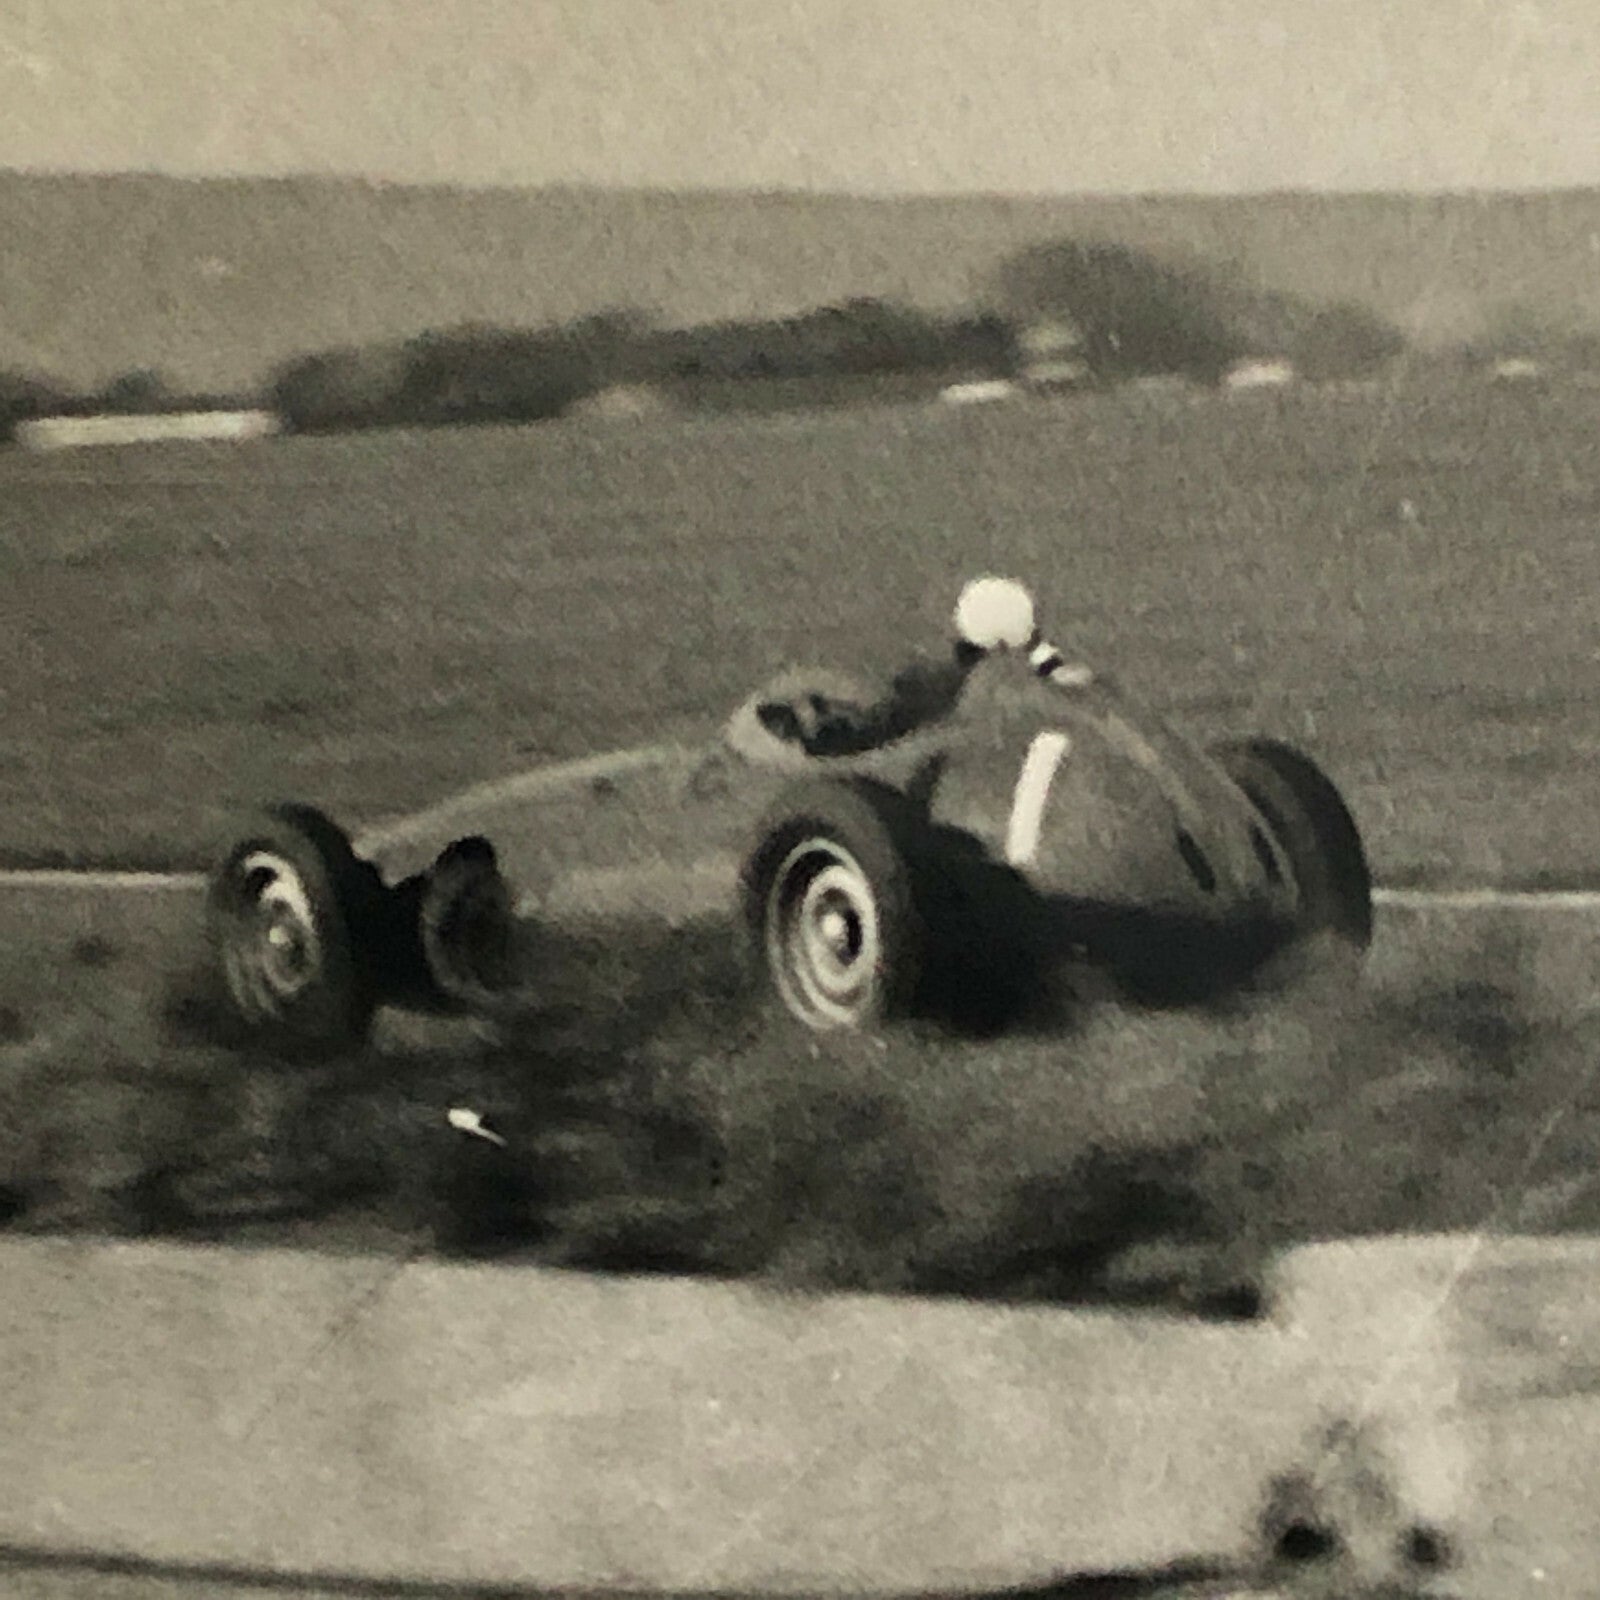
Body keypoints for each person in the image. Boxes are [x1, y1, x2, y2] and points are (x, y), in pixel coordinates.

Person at [806, 576, 1092, 756]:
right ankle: (828, 727)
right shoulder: (946, 683)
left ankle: (828, 727)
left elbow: (1034, 645)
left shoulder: (935, 679)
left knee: (885, 717)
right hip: (926, 742)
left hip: (920, 729)